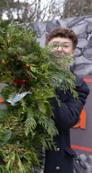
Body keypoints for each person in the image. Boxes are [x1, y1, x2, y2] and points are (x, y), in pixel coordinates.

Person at [44, 27, 90, 173]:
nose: (59, 49)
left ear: (73, 52)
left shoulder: (79, 85)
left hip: (56, 161)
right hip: (24, 155)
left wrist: (45, 87)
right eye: (54, 45)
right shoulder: (30, 74)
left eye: (65, 46)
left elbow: (67, 119)